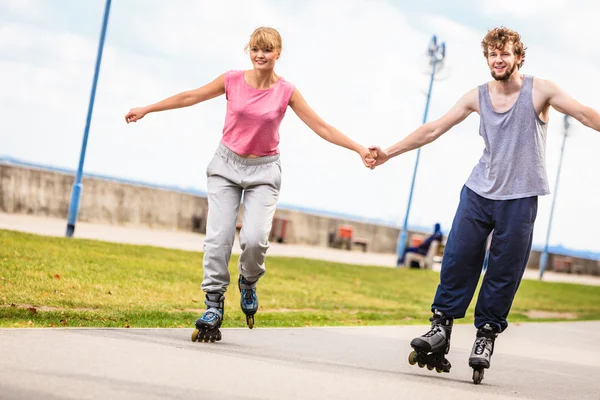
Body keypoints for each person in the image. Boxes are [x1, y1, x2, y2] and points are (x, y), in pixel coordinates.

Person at [368, 26, 600, 383]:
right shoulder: (477, 96)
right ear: (487, 59)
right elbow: (433, 129)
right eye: (493, 54)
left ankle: (485, 336)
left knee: (504, 270)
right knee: (458, 258)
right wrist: (388, 153)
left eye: (505, 53)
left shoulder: (541, 91)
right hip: (478, 192)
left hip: (520, 197)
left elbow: (584, 114)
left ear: (518, 56)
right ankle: (441, 327)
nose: (498, 59)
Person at [125, 27, 376, 342]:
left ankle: (248, 281)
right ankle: (213, 304)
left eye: (267, 50)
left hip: (263, 171)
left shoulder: (286, 92)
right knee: (218, 238)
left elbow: (321, 126)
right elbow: (190, 96)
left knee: (255, 240)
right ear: (249, 51)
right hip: (226, 165)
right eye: (255, 49)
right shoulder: (231, 80)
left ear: (277, 54)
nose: (260, 55)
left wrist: (358, 149)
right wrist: (147, 108)